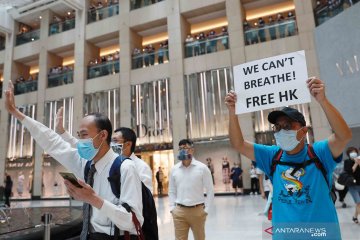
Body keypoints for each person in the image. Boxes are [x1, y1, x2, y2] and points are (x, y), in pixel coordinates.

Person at [4, 82, 143, 240]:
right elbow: (52, 142)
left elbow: (134, 222)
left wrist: (93, 199)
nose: (80, 140)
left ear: (103, 135)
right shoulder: (85, 164)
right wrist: (17, 114)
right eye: (78, 134)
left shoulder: (126, 168)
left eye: (84, 134)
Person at [225, 76, 352, 239]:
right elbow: (238, 144)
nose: (281, 131)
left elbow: (344, 136)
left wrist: (323, 100)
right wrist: (232, 112)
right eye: (277, 127)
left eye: (288, 126)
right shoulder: (272, 156)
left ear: (304, 131)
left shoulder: (319, 153)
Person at [55, 107, 153, 194]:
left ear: (128, 144)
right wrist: (62, 133)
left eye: (115, 141)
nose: (111, 144)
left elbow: (145, 199)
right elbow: (80, 144)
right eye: (111, 140)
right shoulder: (108, 163)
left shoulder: (139, 167)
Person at [169, 139, 214, 240]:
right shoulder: (174, 169)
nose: (183, 151)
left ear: (192, 150)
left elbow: (210, 190)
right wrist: (172, 208)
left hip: (197, 211)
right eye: (180, 149)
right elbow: (171, 190)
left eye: (185, 148)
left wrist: (206, 210)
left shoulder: (202, 168)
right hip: (179, 212)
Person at [344, 147, 360, 224]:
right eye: (352, 152)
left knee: (359, 203)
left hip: (359, 184)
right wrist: (356, 163)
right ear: (349, 154)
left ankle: (355, 217)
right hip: (352, 185)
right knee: (358, 202)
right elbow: (350, 172)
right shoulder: (347, 162)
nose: (354, 153)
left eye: (355, 152)